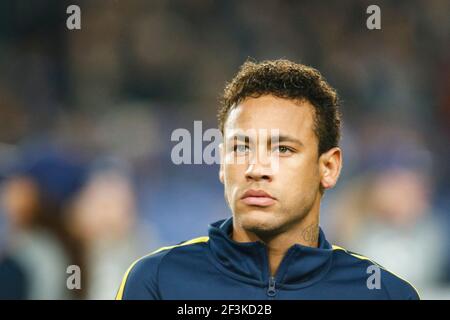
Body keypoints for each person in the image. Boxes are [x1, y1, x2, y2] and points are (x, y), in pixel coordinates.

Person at [116, 59, 420, 300]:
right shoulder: (157, 281)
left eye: (283, 149)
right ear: (222, 163)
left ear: (328, 167)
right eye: (240, 148)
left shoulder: (386, 294)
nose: (256, 168)